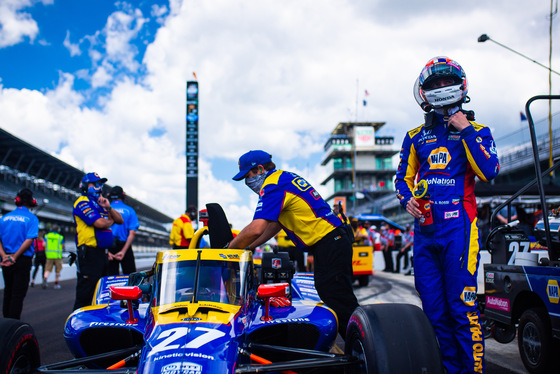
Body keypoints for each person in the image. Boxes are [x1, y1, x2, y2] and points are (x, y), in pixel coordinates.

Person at [395, 56, 500, 373]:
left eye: (446, 81)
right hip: (424, 234)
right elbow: (402, 178)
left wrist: (466, 129)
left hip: (460, 232)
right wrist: (407, 199)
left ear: (461, 86)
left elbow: (489, 171)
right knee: (433, 311)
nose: (441, 87)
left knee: (462, 307)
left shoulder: (479, 131)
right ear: (424, 93)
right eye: (434, 83)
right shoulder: (415, 136)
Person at [228, 150, 359, 338]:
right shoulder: (283, 178)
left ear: (259, 169)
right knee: (335, 295)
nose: (248, 183)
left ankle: (363, 347)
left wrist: (229, 250)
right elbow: (275, 225)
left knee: (338, 298)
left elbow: (257, 228)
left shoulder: (272, 184)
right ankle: (360, 342)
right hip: (333, 240)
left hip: (331, 241)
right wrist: (249, 247)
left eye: (248, 177)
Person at [73, 172, 123, 310]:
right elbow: (100, 223)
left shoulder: (99, 204)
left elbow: (120, 220)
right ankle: (77, 328)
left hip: (102, 254)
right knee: (85, 295)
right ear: (84, 186)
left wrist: (109, 207)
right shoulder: (82, 202)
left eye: (100, 184)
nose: (98, 187)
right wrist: (110, 220)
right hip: (88, 254)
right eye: (95, 184)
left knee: (101, 295)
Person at [0, 188, 39, 319]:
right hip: (22, 259)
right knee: (17, 295)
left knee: (8, 292)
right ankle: (13, 327)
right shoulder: (32, 218)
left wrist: (5, 256)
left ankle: (5, 324)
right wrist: (15, 257)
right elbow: (29, 240)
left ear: (17, 200)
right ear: (32, 202)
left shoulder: (4, 218)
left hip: (5, 259)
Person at [107, 186, 139, 275]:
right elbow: (132, 232)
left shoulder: (104, 209)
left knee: (109, 279)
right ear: (123, 196)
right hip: (125, 245)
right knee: (131, 277)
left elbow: (101, 230)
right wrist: (123, 251)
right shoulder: (130, 210)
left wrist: (107, 251)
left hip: (109, 246)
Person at [43, 224, 65, 289]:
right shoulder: (60, 237)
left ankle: (45, 279)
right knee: (58, 270)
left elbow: (43, 244)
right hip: (57, 256)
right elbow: (62, 246)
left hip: (49, 255)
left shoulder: (47, 236)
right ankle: (56, 283)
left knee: (47, 269)